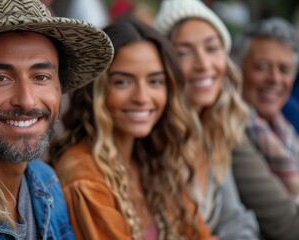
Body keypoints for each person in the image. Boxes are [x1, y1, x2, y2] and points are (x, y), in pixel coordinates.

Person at [0, 0, 113, 239]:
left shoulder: (45, 181)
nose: (27, 101)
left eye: (41, 77)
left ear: (59, 88)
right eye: (0, 78)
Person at [49, 18, 217, 240]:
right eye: (122, 82)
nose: (142, 98)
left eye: (155, 81)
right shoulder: (83, 174)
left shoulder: (151, 160)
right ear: (95, 92)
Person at [154, 0, 259, 239]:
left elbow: (235, 218)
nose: (203, 65)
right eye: (184, 52)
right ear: (163, 64)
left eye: (211, 48)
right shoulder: (154, 139)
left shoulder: (213, 130)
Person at [231, 17, 299, 239]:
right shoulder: (232, 131)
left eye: (285, 69)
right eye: (262, 67)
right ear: (238, 70)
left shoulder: (286, 127)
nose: (275, 79)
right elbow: (288, 225)